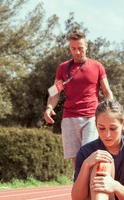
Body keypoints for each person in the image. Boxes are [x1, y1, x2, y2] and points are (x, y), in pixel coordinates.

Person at [44, 29, 113, 169]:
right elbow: (54, 92)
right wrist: (49, 108)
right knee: (76, 160)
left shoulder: (97, 66)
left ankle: (90, 187)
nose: (77, 52)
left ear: (86, 46)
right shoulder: (62, 68)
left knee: (89, 155)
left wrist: (110, 112)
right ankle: (79, 187)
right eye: (73, 48)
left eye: (80, 48)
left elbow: (107, 92)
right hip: (69, 118)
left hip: (90, 117)